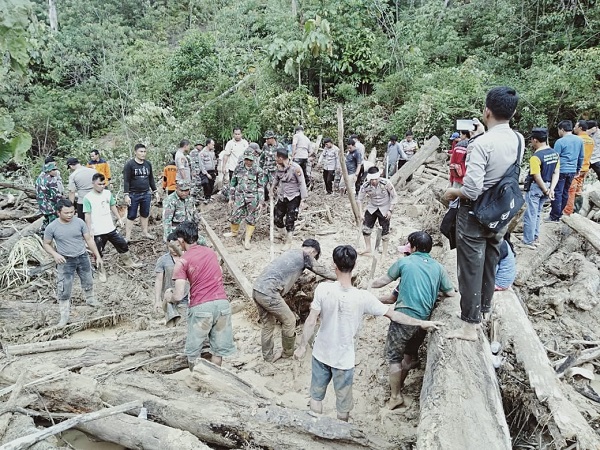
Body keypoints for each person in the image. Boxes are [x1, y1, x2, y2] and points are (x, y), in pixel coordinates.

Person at [294, 244, 443, 421]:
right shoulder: (363, 297)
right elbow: (394, 315)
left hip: (320, 353)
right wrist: (421, 323)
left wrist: (302, 346)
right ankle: (340, 434)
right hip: (343, 359)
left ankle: (314, 425)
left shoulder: (323, 289)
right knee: (343, 406)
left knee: (316, 397)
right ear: (355, 265)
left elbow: (311, 320)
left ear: (334, 264)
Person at [443, 86, 524, 341]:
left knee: (469, 267)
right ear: (513, 112)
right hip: (500, 212)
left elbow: (473, 189)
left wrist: (452, 193)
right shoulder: (518, 139)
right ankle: (484, 310)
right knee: (491, 258)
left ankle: (469, 324)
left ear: (486, 111)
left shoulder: (481, 144)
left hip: (475, 214)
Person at [371, 231, 454, 410]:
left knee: (394, 358)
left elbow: (382, 281)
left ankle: (395, 396)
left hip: (403, 318)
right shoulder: (439, 268)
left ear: (413, 247)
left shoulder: (404, 262)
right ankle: (399, 386)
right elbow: (450, 292)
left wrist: (368, 284)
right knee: (408, 356)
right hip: (424, 320)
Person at [253, 239, 335, 362]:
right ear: (313, 251)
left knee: (268, 325)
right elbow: (321, 270)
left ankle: (268, 357)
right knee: (290, 320)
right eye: (315, 257)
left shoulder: (291, 253)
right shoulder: (305, 255)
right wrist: (341, 277)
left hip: (257, 289)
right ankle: (287, 352)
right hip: (269, 293)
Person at [170, 221, 236, 369]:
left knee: (193, 352)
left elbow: (179, 294)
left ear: (181, 240)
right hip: (222, 304)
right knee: (218, 351)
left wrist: (170, 297)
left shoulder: (182, 261)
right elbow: (220, 272)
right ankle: (216, 378)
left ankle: (196, 379)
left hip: (201, 307)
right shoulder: (211, 252)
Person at [42, 199, 102, 326]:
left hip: (82, 256)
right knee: (64, 287)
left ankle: (90, 299)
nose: (70, 215)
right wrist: (55, 254)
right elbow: (46, 244)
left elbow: (89, 239)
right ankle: (64, 315)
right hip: (65, 260)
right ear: (58, 213)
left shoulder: (79, 222)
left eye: (72, 212)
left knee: (88, 279)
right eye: (66, 213)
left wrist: (97, 255)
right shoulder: (52, 227)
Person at [83, 173, 140, 274]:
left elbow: (113, 206)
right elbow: (87, 215)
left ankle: (129, 262)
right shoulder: (88, 198)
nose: (101, 186)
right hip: (97, 230)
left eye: (103, 184)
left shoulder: (107, 193)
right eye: (99, 184)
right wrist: (89, 229)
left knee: (122, 244)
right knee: (98, 251)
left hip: (110, 227)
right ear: (93, 183)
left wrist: (119, 218)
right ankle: (100, 270)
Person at [521, 127, 559, 248]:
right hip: (548, 185)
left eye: (531, 140)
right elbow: (556, 172)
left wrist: (545, 189)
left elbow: (536, 176)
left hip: (537, 188)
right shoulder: (554, 154)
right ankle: (535, 237)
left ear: (535, 140)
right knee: (537, 213)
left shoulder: (535, 157)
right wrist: (551, 189)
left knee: (530, 214)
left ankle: (528, 240)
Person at [223, 148, 264, 250]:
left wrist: (261, 201)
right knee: (235, 215)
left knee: (251, 218)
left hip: (253, 197)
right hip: (240, 196)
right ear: (244, 158)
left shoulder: (258, 170)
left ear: (254, 159)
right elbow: (233, 184)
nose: (248, 162)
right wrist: (231, 198)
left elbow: (260, 186)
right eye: (247, 159)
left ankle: (247, 239)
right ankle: (234, 232)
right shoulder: (238, 168)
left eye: (250, 160)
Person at [547, 120, 583, 222]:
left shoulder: (560, 142)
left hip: (561, 170)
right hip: (572, 170)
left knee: (557, 192)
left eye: (559, 130)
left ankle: (554, 216)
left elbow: (555, 158)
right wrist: (578, 169)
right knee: (565, 192)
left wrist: (551, 172)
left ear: (562, 129)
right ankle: (560, 213)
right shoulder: (579, 140)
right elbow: (581, 156)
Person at [122, 143, 160, 241]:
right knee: (131, 215)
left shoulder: (148, 164)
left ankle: (145, 232)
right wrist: (126, 195)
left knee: (145, 213)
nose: (143, 154)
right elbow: (126, 180)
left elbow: (151, 178)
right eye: (141, 151)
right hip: (133, 194)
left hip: (146, 193)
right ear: (135, 152)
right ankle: (127, 237)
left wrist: (155, 191)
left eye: (144, 152)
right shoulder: (129, 165)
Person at [357, 167, 397, 257]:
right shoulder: (365, 185)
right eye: (372, 179)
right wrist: (360, 212)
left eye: (375, 179)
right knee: (366, 228)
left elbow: (394, 197)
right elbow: (359, 199)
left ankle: (384, 252)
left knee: (385, 231)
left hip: (384, 208)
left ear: (379, 177)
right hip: (372, 207)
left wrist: (390, 210)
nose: (374, 181)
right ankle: (368, 248)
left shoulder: (386, 183)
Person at [273, 148, 308, 249]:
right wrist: (272, 188)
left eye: (276, 157)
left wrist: (303, 199)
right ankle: (282, 233)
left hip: (293, 197)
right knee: (277, 216)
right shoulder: (279, 167)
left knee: (290, 219)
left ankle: (289, 241)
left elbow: (302, 183)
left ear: (280, 158)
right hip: (282, 196)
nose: (275, 159)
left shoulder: (296, 168)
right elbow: (276, 178)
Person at [564, 120, 594, 215]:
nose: (574, 128)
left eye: (575, 126)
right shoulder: (591, 140)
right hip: (585, 168)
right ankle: (577, 211)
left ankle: (568, 212)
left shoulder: (577, 140)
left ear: (580, 128)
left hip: (577, 169)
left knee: (570, 190)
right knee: (578, 191)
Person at [154, 232, 189, 312]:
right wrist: (157, 300)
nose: (173, 249)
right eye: (171, 247)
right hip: (168, 296)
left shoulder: (188, 258)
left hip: (185, 296)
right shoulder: (163, 260)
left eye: (177, 246)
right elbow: (159, 280)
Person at [36, 161, 63, 234]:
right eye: (53, 170)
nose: (55, 171)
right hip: (51, 206)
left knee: (46, 220)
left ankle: (42, 233)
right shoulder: (51, 180)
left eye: (56, 169)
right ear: (48, 170)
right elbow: (56, 195)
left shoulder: (39, 179)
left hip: (42, 204)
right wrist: (61, 204)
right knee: (53, 223)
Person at [260, 130, 284, 200]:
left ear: (272, 138)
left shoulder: (279, 146)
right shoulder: (265, 146)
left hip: (274, 171)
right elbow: (262, 158)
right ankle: (264, 200)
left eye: (268, 139)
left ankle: (276, 202)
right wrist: (260, 168)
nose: (266, 140)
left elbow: (284, 159)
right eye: (266, 139)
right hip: (265, 170)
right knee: (261, 185)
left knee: (274, 187)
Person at [199, 139, 217, 203]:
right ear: (208, 144)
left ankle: (209, 197)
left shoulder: (212, 152)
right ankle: (206, 197)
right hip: (205, 172)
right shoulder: (202, 153)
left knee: (211, 184)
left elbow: (214, 161)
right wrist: (206, 174)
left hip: (212, 171)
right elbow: (201, 165)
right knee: (206, 184)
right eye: (212, 145)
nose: (213, 146)